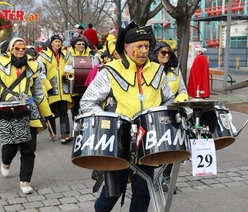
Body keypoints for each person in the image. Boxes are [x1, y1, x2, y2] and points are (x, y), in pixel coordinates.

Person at [80, 21, 175, 212]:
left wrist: (163, 118)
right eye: (138, 46)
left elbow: (169, 100)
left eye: (146, 46)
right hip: (118, 142)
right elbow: (87, 103)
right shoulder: (110, 70)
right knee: (111, 193)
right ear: (126, 47)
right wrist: (109, 122)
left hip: (148, 142)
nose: (143, 51)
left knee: (143, 193)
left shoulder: (157, 70)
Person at [0, 37, 52, 194]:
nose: (21, 50)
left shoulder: (34, 66)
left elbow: (39, 93)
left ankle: (25, 181)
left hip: (29, 110)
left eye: (23, 48)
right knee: (10, 146)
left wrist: (47, 114)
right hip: (9, 110)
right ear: (11, 49)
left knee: (29, 149)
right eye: (17, 48)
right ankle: (5, 161)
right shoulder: (1, 64)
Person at [153, 41, 189, 193]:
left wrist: (179, 102)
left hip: (173, 111)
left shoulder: (175, 70)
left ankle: (166, 179)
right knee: (155, 149)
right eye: (163, 53)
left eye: (168, 53)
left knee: (175, 147)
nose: (166, 55)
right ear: (155, 54)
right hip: (154, 112)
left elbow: (182, 89)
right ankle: (148, 178)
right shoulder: (149, 69)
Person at [38, 35, 74, 144]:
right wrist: (47, 87)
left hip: (64, 88)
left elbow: (72, 68)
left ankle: (65, 134)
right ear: (51, 43)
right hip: (50, 89)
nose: (58, 43)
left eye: (59, 41)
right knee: (51, 113)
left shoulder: (67, 55)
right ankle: (52, 132)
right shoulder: (43, 56)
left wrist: (69, 75)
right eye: (55, 41)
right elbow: (41, 73)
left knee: (64, 112)